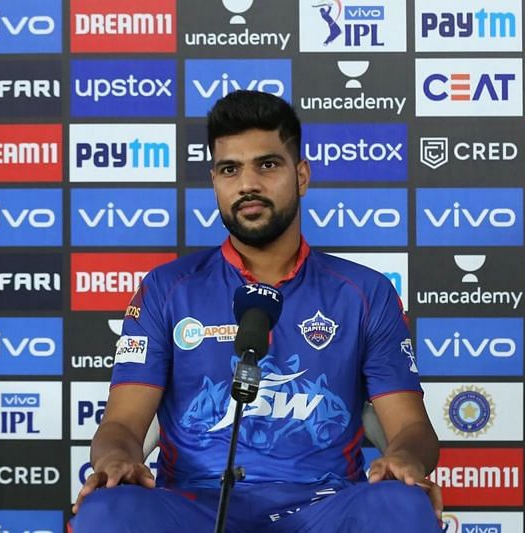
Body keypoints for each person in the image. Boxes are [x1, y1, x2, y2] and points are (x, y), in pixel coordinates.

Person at [72, 90, 442, 532]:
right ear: (214, 181)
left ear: (301, 176)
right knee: (106, 511)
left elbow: (411, 428)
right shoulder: (167, 289)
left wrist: (404, 458)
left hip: (323, 509)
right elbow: (122, 425)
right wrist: (118, 459)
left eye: (267, 165)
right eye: (230, 169)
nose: (248, 184)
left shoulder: (364, 292)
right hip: (193, 506)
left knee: (401, 507)